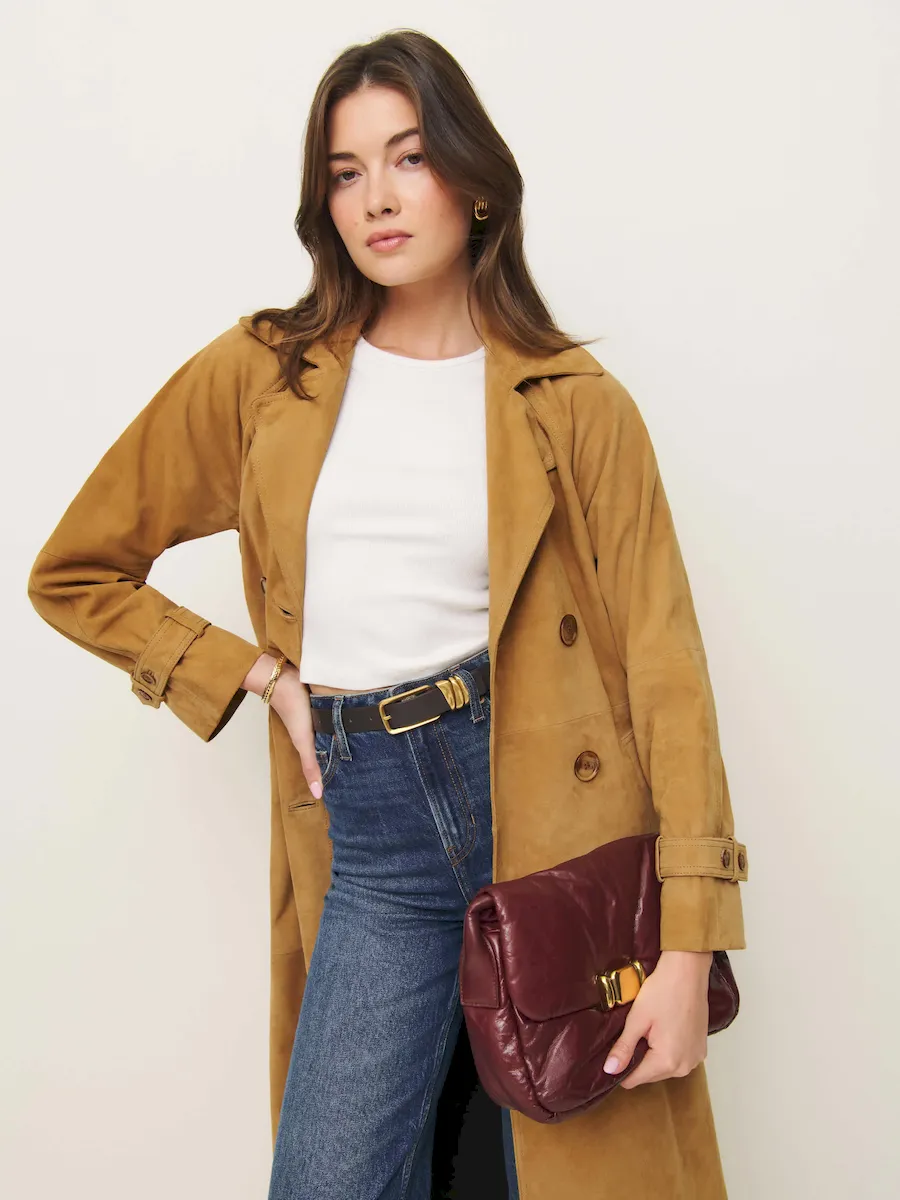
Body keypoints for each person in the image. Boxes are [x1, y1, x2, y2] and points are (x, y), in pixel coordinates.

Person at [27, 27, 748, 1200]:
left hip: (554, 821)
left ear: (472, 178)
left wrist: (687, 944)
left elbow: (667, 670)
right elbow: (76, 570)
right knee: (328, 1178)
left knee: (556, 1168)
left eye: (408, 158)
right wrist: (258, 676)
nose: (377, 197)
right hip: (375, 832)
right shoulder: (265, 373)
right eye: (346, 171)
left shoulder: (577, 403)